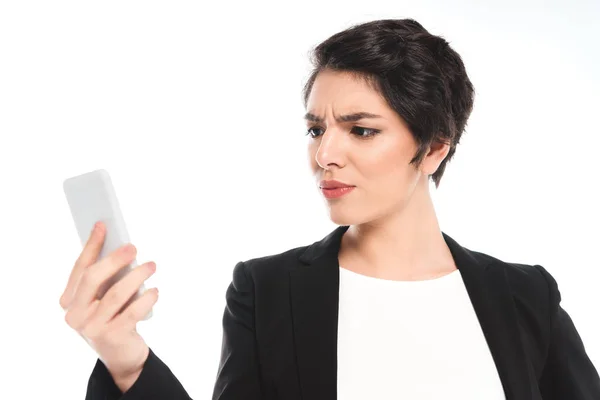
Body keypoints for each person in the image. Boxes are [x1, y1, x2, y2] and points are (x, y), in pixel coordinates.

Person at [60, 18, 600, 399]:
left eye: (361, 130)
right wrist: (128, 362)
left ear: (434, 147)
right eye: (316, 128)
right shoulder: (266, 290)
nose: (324, 155)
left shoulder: (524, 295)